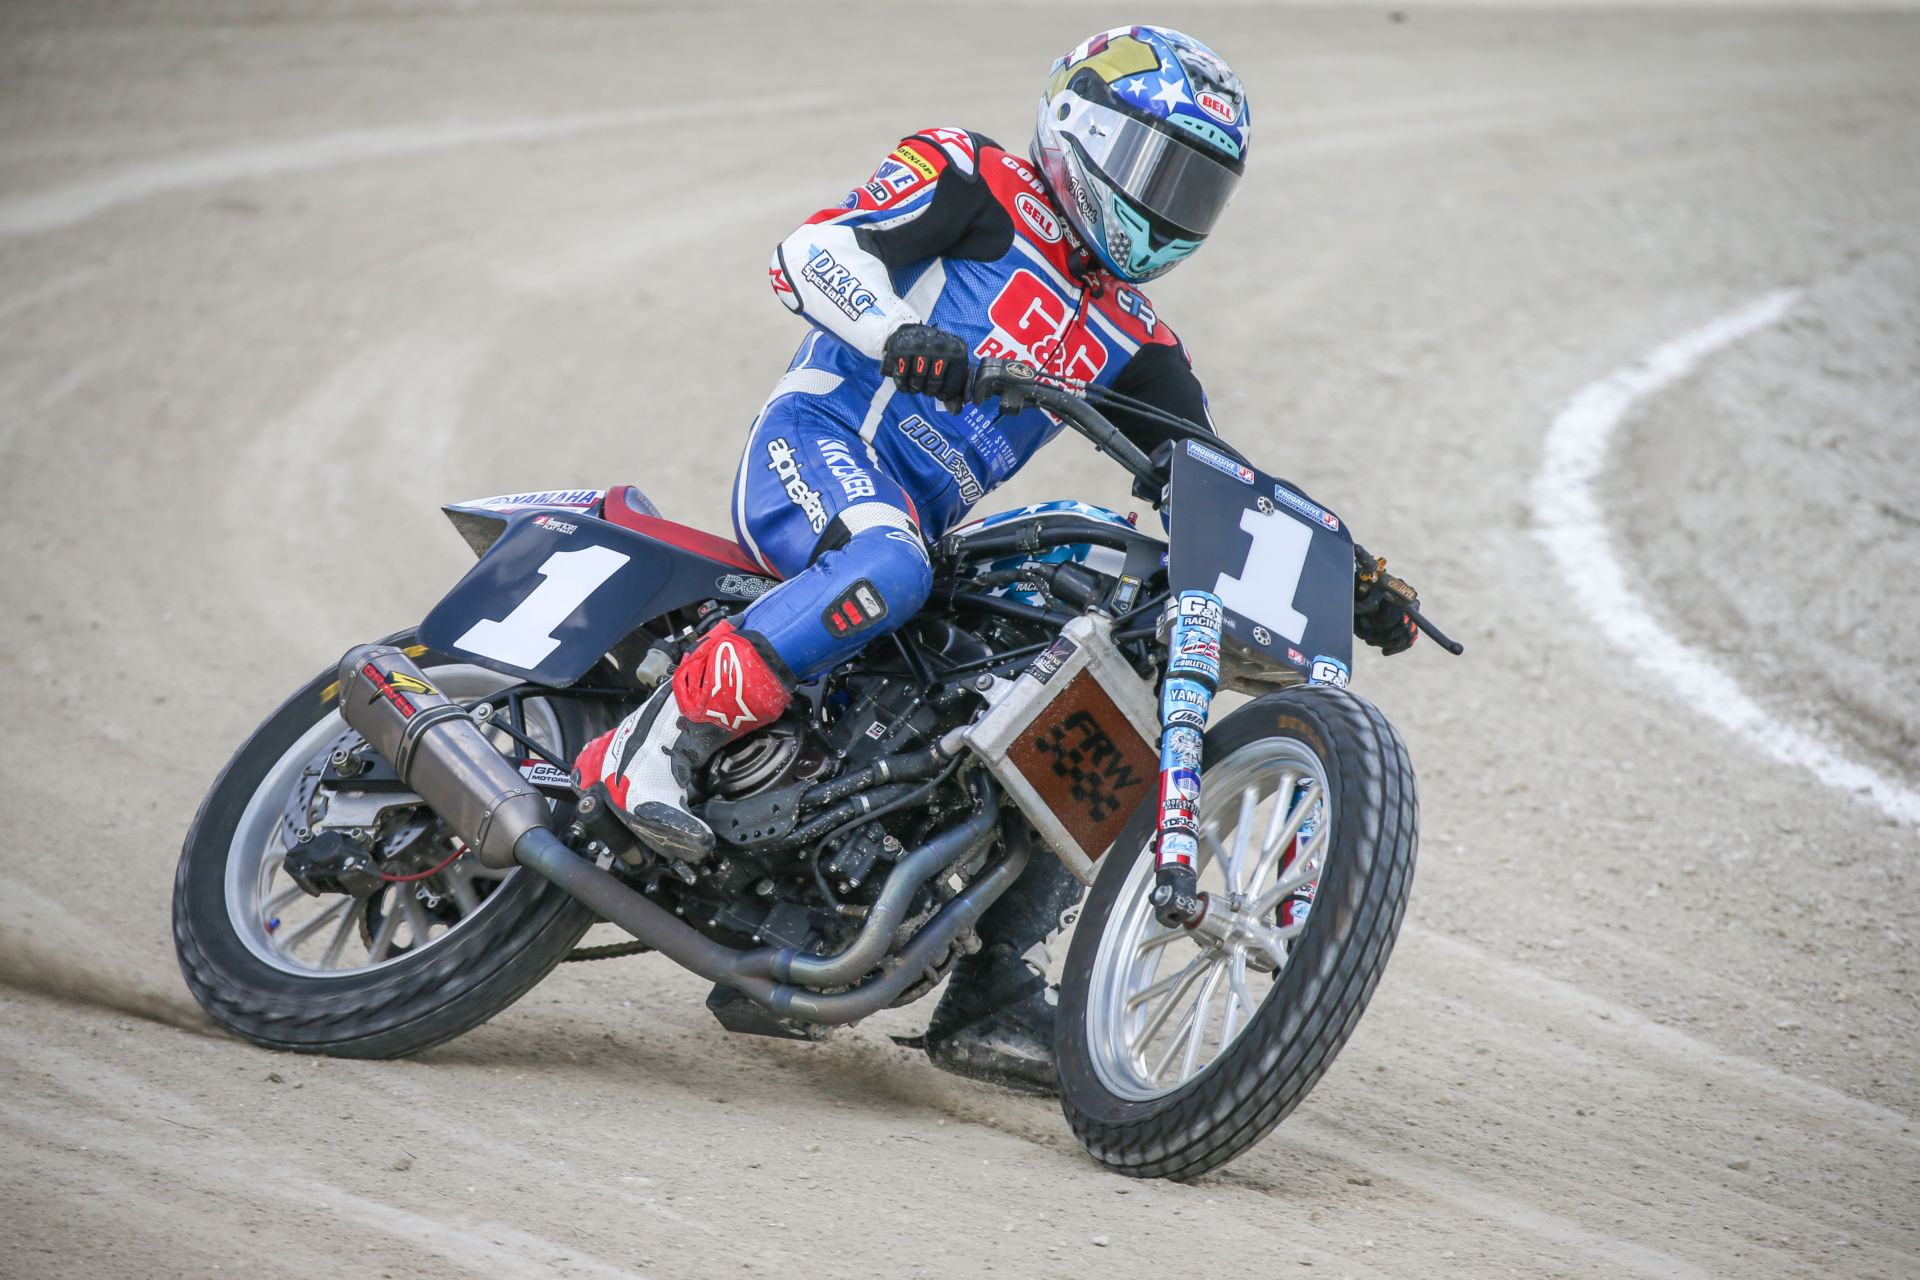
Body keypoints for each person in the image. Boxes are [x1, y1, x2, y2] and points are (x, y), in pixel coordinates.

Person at [573, 26, 1422, 1091]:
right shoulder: (971, 176)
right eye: (1159, 169)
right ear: (1082, 130)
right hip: (821, 444)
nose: (1171, 207)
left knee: (1101, 656)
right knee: (890, 561)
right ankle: (659, 737)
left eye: (1199, 189)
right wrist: (894, 334)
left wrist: (1346, 570)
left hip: (915, 533)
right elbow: (812, 251)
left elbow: (1213, 475)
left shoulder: (1136, 337)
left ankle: (993, 977)